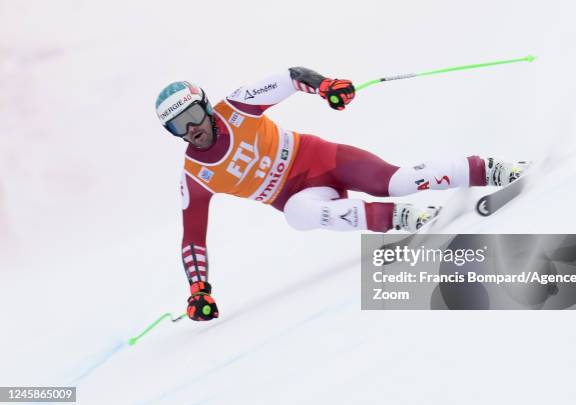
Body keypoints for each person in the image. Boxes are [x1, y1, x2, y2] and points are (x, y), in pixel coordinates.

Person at [155, 68, 528, 322]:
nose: (191, 129)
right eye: (177, 126)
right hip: (304, 195)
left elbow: (288, 77)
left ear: (205, 105)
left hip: (323, 159)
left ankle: (490, 168)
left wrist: (325, 86)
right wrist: (199, 289)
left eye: (193, 115)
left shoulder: (236, 107)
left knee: (396, 182)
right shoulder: (195, 175)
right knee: (298, 215)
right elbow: (192, 239)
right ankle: (401, 219)